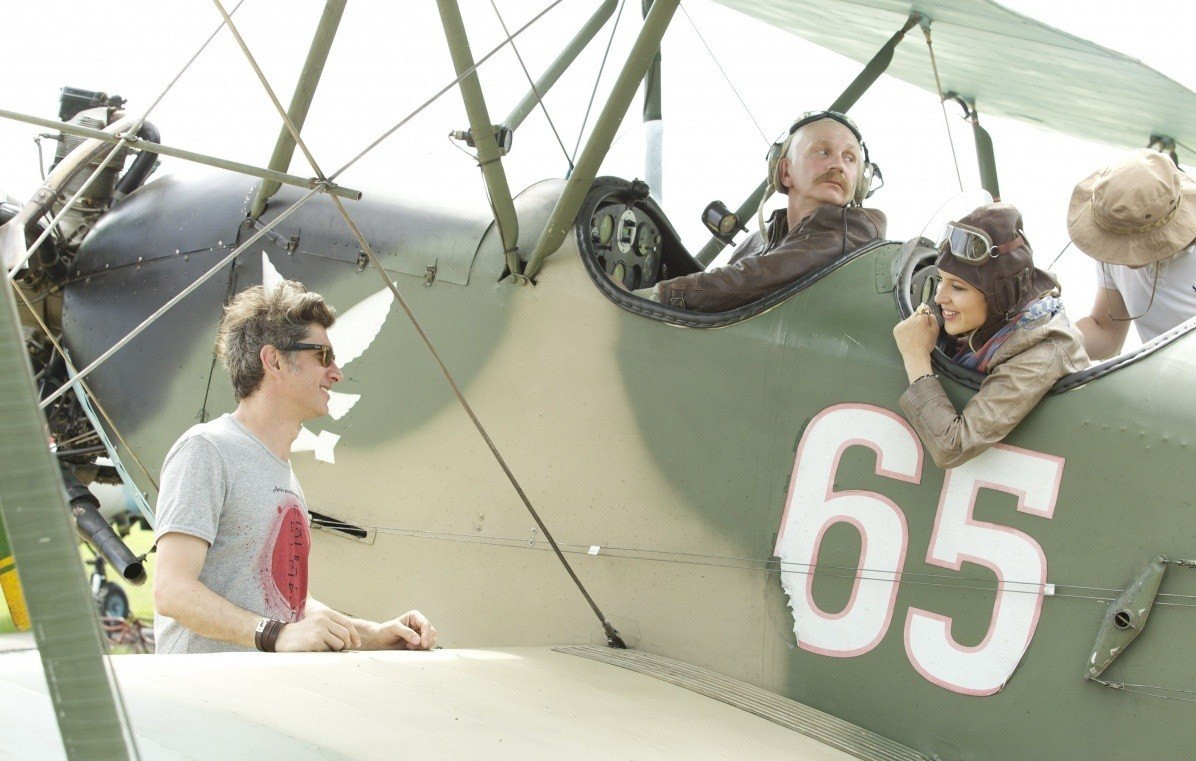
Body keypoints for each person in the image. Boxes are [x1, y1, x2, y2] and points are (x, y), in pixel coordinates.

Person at [153, 281, 437, 654]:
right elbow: (172, 591)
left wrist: (374, 634)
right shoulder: (206, 450)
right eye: (323, 355)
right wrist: (276, 635)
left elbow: (281, 603)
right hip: (204, 702)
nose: (336, 373)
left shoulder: (282, 473)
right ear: (273, 361)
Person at [892, 203, 1088, 469]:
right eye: (940, 280)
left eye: (958, 287)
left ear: (999, 295)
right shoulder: (1005, 317)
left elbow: (953, 447)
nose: (939, 297)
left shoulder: (1041, 353)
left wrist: (915, 358)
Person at [631, 111, 886, 311]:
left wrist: (649, 295)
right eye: (823, 152)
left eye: (850, 158)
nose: (838, 165)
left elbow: (763, 275)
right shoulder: (758, 242)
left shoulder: (857, 230)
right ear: (785, 171)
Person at [1067, 148, 1196, 359]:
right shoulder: (1114, 231)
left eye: (1136, 245)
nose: (1126, 259)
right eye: (1118, 242)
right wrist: (1057, 344)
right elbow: (1107, 331)